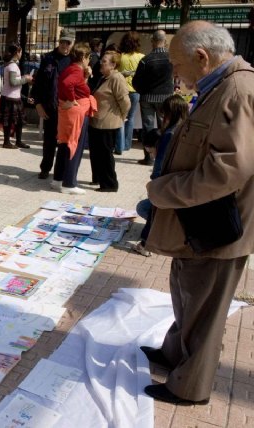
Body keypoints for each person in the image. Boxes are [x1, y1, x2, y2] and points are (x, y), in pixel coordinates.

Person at [142, 21, 254, 405]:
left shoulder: (237, 91)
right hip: (202, 221)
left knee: (205, 310)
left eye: (176, 64)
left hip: (220, 225)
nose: (174, 73)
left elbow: (229, 169)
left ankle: (189, 387)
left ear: (201, 58)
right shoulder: (219, 86)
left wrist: (165, 191)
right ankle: (174, 354)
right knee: (188, 294)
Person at [132, 94, 189, 257]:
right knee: (155, 209)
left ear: (170, 113)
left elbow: (161, 162)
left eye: (164, 114)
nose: (162, 117)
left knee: (150, 208)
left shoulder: (170, 133)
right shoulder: (186, 128)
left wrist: (155, 181)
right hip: (181, 181)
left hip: (166, 181)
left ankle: (146, 243)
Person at [52, 42, 95, 195]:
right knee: (74, 146)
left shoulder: (70, 69)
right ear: (83, 57)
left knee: (65, 144)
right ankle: (69, 183)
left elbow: (73, 84)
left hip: (68, 112)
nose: (89, 60)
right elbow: (67, 84)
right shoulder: (76, 71)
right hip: (76, 111)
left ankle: (58, 179)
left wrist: (86, 75)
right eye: (88, 57)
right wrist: (71, 99)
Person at [32, 28, 75, 179]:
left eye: (68, 42)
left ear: (73, 43)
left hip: (67, 108)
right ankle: (45, 168)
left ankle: (62, 171)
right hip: (50, 107)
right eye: (62, 42)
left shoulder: (75, 60)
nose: (65, 45)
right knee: (49, 141)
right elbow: (38, 84)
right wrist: (38, 104)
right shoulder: (48, 58)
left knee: (65, 143)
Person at [88, 51, 130, 193]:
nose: (101, 62)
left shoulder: (116, 78)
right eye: (102, 60)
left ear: (113, 65)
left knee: (105, 155)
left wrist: (122, 116)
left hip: (107, 123)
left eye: (104, 61)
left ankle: (110, 184)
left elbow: (125, 102)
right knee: (97, 153)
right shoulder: (104, 77)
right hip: (97, 122)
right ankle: (99, 178)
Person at [132, 30, 174, 165]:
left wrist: (143, 91)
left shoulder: (146, 60)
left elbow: (136, 81)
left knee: (147, 127)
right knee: (165, 126)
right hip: (165, 97)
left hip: (147, 98)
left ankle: (149, 157)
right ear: (165, 41)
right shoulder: (171, 59)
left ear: (152, 42)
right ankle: (163, 156)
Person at [0, 43, 33, 149]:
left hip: (12, 97)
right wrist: (25, 79)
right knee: (11, 121)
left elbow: (12, 82)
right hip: (11, 98)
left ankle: (16, 141)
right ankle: (8, 142)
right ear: (17, 52)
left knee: (16, 121)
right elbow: (13, 82)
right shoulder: (12, 66)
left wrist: (23, 78)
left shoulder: (10, 65)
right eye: (21, 51)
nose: (22, 54)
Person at [116, 31, 144, 154]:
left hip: (121, 90)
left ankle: (119, 145)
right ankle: (127, 144)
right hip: (135, 90)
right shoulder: (141, 57)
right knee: (131, 118)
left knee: (121, 117)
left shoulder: (119, 56)